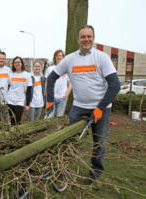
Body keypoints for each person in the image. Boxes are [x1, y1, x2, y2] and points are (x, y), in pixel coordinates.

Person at [46, 25, 120, 190]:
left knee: (99, 144)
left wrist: (100, 107)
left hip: (102, 108)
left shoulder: (102, 58)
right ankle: (62, 173)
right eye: (83, 36)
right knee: (68, 141)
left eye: (89, 36)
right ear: (78, 39)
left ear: (93, 38)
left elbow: (115, 85)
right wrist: (50, 100)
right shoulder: (70, 59)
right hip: (79, 108)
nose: (86, 39)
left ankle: (95, 176)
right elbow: (51, 78)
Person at [45, 50, 72, 118]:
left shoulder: (66, 69)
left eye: (60, 55)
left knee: (59, 118)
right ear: (54, 58)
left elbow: (70, 84)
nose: (58, 57)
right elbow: (46, 83)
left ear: (63, 57)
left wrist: (66, 95)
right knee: (49, 118)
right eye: (57, 56)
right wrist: (47, 94)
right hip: (51, 98)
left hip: (62, 98)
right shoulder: (50, 69)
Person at [7, 56, 32, 125]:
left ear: (22, 64)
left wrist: (27, 104)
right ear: (13, 64)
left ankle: (18, 134)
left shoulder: (27, 75)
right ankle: (13, 134)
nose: (17, 64)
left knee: (17, 120)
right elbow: (8, 87)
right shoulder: (11, 74)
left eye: (18, 62)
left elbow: (29, 91)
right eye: (15, 62)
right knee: (12, 121)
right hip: (10, 100)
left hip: (20, 101)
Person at [0, 52, 11, 123]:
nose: (1, 60)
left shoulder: (8, 70)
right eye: (0, 58)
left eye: (3, 59)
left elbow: (11, 84)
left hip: (4, 100)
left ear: (5, 60)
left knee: (4, 119)